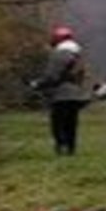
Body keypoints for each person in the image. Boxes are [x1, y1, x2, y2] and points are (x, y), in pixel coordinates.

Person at [31, 24, 96, 156]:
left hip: (61, 95)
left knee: (58, 124)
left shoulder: (59, 54)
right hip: (77, 94)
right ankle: (71, 149)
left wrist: (38, 84)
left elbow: (52, 76)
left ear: (57, 39)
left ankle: (61, 148)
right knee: (71, 123)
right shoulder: (78, 55)